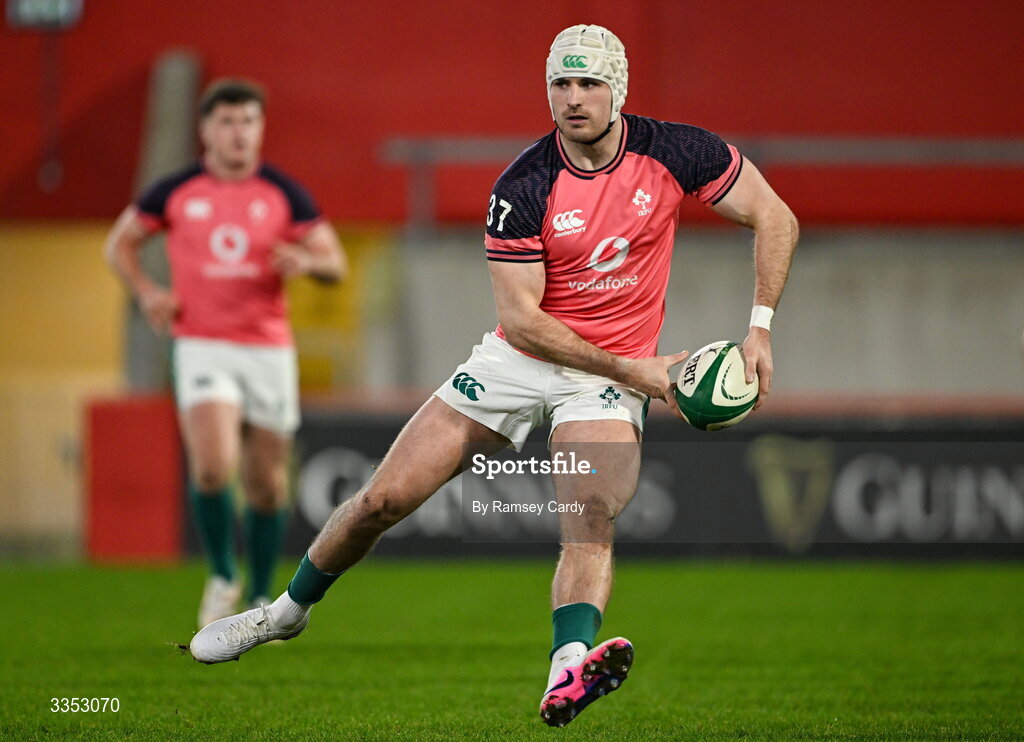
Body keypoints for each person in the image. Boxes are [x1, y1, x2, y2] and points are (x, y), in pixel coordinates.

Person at [190, 25, 798, 728]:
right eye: (560, 84)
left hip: (603, 381)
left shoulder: (678, 151)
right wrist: (643, 371)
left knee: (589, 515)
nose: (573, 99)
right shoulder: (524, 185)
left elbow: (773, 216)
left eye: (589, 83)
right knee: (381, 501)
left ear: (618, 89)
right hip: (521, 360)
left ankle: (567, 669)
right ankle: (285, 613)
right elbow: (528, 321)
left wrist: (760, 328)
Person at [105, 78, 346, 629]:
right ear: (205, 129)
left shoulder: (284, 192)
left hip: (266, 349)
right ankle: (220, 576)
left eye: (248, 122)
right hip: (202, 343)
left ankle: (262, 594)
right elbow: (119, 243)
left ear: (261, 128)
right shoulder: (176, 190)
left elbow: (334, 262)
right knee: (213, 468)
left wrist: (306, 263)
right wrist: (147, 291)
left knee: (266, 484)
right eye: (228, 122)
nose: (239, 133)